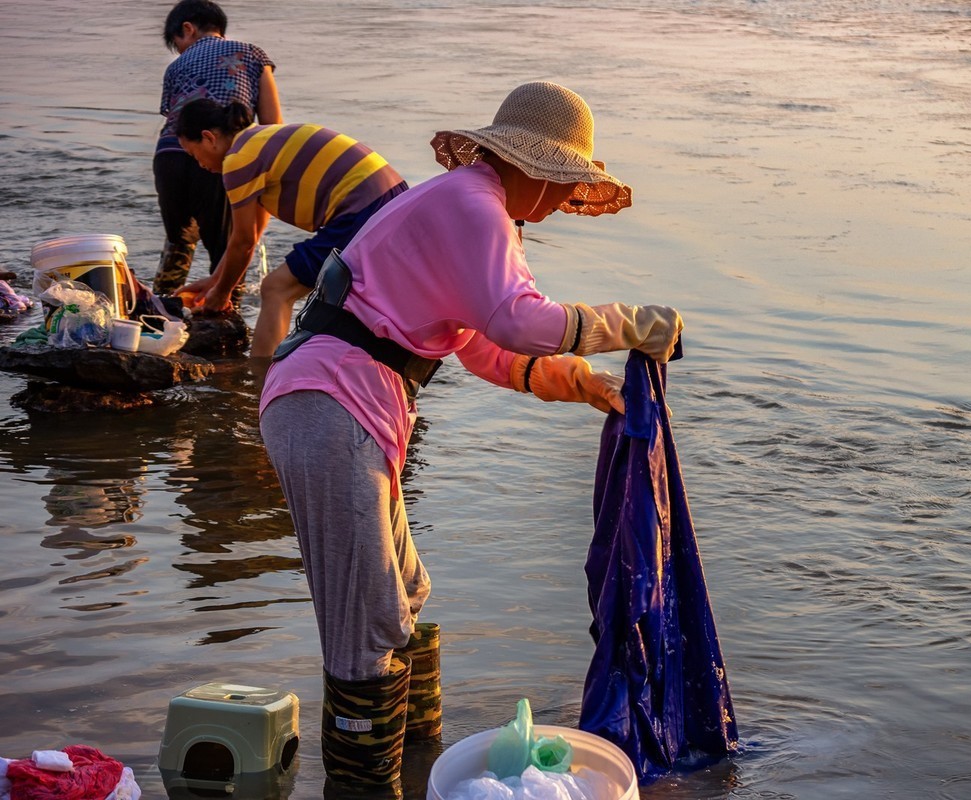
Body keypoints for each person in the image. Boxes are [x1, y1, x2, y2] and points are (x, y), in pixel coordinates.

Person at [257, 81, 685, 791]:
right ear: (527, 164)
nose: (558, 203)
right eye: (559, 182)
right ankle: (366, 785)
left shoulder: (474, 212)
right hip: (326, 403)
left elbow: (489, 348)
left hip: (348, 404)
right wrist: (626, 322)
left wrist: (582, 382)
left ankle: (424, 764)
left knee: (404, 594)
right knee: (364, 625)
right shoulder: (471, 203)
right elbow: (519, 320)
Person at [173, 98, 408, 358]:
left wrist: (222, 294)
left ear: (208, 138)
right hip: (394, 198)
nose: (200, 165)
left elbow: (244, 242)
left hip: (364, 208)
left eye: (194, 155)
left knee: (276, 289)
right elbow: (253, 233)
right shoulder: (257, 141)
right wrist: (215, 281)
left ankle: (262, 387)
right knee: (357, 300)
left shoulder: (238, 159)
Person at [154, 0, 281, 295]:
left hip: (168, 157)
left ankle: (162, 308)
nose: (181, 51)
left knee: (179, 239)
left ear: (188, 28)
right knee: (227, 244)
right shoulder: (252, 54)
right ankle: (225, 315)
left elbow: (174, 120)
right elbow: (272, 124)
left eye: (178, 44)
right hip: (220, 155)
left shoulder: (174, 68)